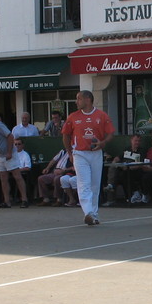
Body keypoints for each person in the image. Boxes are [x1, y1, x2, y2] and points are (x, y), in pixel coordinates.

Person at [62, 90, 115, 225]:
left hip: (96, 153)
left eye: (78, 99)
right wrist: (69, 153)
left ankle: (94, 215)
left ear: (87, 100)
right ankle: (87, 212)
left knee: (95, 185)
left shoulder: (101, 115)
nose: (76, 102)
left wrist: (103, 142)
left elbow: (110, 133)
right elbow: (66, 135)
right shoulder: (73, 117)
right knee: (83, 183)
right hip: (79, 153)